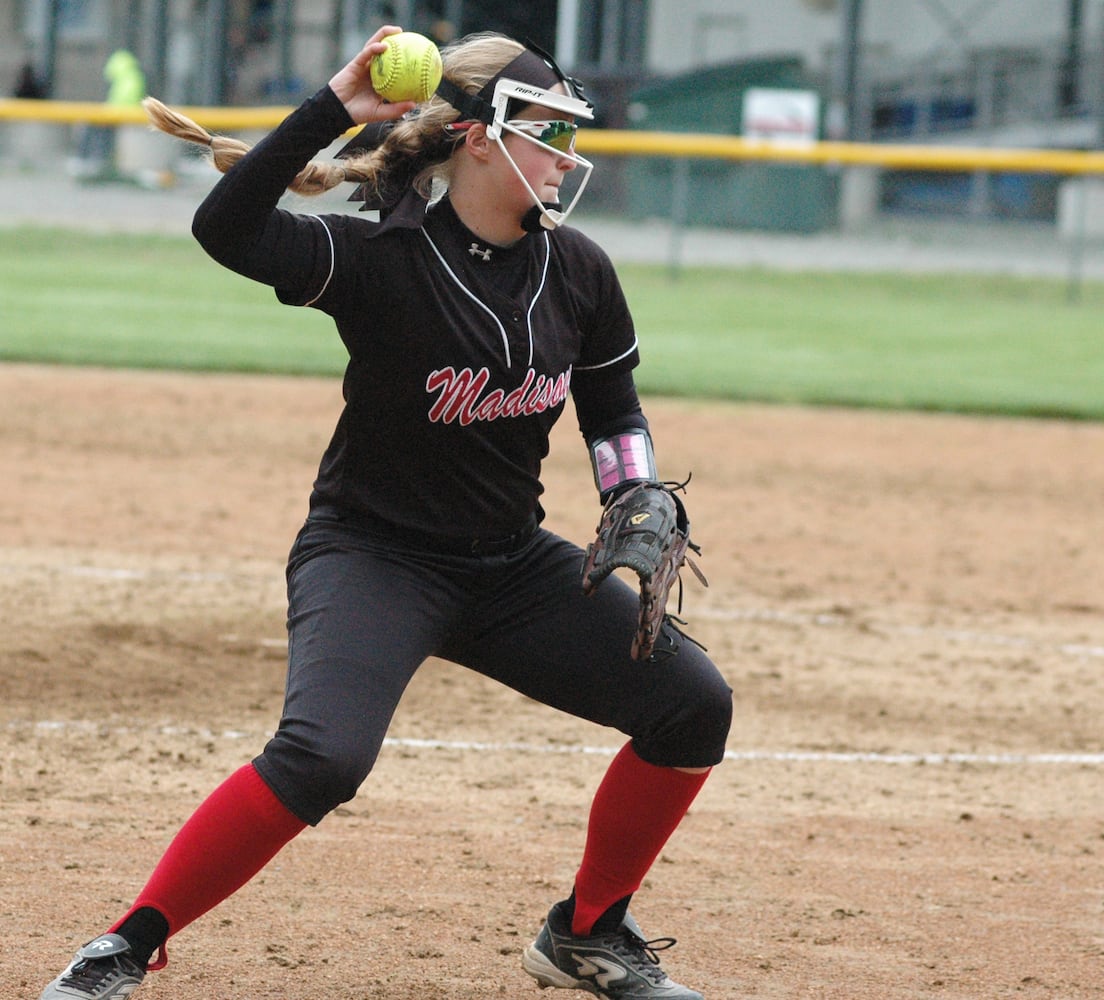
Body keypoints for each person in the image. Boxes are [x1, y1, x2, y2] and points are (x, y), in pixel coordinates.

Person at [37, 25, 733, 1000]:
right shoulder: (379, 259)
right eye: (547, 133)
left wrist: (632, 490)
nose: (567, 156)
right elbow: (225, 230)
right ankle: (124, 942)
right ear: (482, 138)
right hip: (374, 556)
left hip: (510, 568)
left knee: (693, 702)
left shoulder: (578, 272)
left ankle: (585, 933)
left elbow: (613, 412)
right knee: (323, 755)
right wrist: (332, 107)